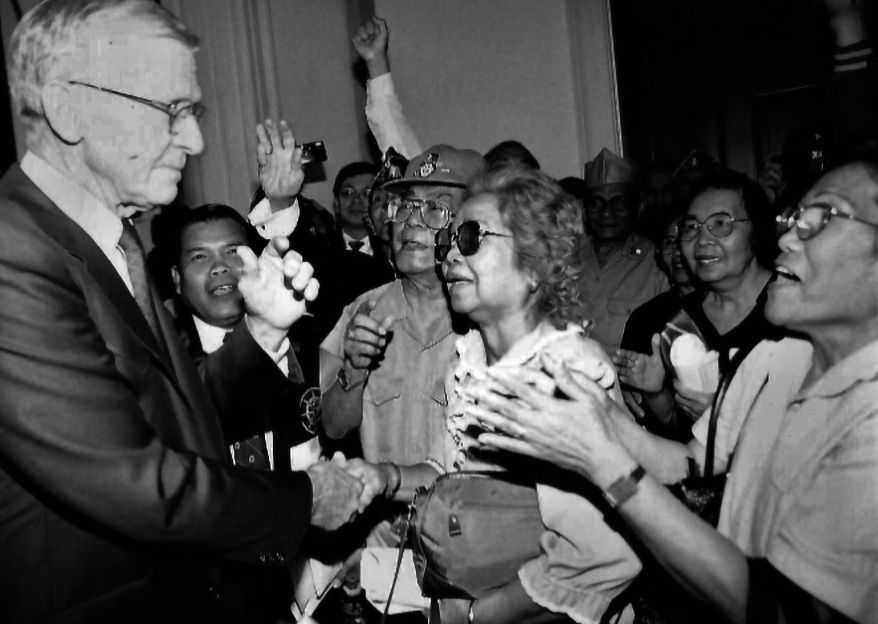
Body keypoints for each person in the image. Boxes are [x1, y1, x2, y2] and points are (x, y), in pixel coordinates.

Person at [0, 2, 369, 621]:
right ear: (67, 109)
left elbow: (167, 414)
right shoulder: (14, 252)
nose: (195, 140)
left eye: (193, 113)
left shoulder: (108, 238)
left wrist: (259, 332)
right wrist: (307, 498)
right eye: (171, 111)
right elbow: (130, 479)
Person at [467, 155, 878, 623]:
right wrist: (596, 413)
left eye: (821, 218)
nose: (787, 238)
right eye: (793, 220)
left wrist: (606, 465)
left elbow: (785, 610)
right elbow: (689, 464)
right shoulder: (770, 358)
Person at [349, 167, 641, 624]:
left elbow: (607, 555)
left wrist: (479, 614)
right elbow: (455, 474)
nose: (449, 257)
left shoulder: (564, 377)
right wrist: (383, 477)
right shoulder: (469, 363)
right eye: (449, 242)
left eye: (471, 238)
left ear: (534, 264)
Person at [616, 171, 782, 436]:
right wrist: (656, 393)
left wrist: (726, 418)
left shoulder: (797, 310)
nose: (702, 240)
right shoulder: (676, 322)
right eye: (691, 227)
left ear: (757, 230)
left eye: (720, 223)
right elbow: (678, 431)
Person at [575, 148, 669, 353]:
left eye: (618, 203)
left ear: (639, 206)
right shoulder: (566, 257)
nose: (606, 213)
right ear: (584, 209)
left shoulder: (657, 262)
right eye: (596, 203)